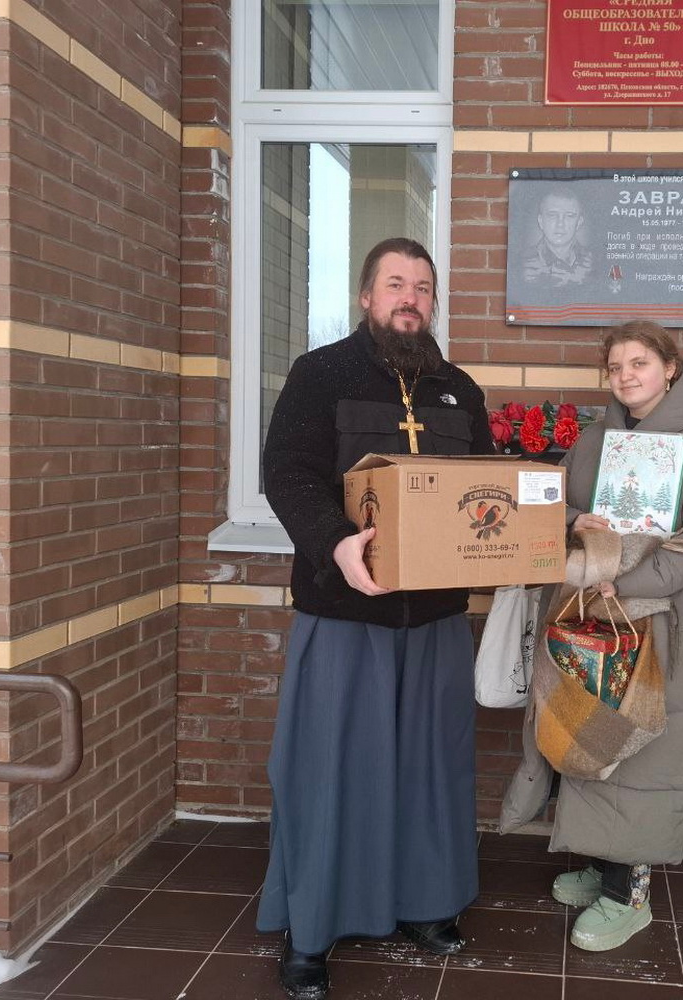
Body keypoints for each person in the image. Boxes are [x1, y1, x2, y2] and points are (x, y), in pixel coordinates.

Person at [257, 237, 494, 999]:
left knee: (430, 766)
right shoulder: (319, 373)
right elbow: (286, 472)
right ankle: (312, 928)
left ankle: (425, 904)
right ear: (366, 296)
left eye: (421, 286)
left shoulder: (458, 390)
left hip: (435, 620)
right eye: (395, 284)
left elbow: (488, 489)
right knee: (331, 771)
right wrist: (334, 541)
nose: (409, 298)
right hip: (344, 613)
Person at [501, 321, 683, 951]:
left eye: (640, 363)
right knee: (587, 729)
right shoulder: (592, 444)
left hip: (655, 620)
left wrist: (626, 585)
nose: (626, 376)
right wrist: (577, 518)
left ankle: (629, 893)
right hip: (585, 612)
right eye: (615, 367)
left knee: (640, 745)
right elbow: (547, 504)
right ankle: (600, 857)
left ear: (670, 368)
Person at [523, 189, 593, 286]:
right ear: (541, 221)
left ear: (579, 223)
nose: (560, 224)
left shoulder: (596, 264)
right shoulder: (520, 264)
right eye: (552, 215)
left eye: (569, 216)